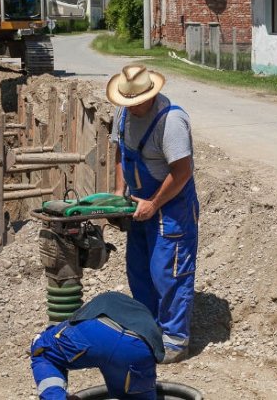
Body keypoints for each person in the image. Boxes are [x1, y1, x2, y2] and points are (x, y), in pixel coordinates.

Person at [106, 64, 199, 363]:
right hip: (139, 203)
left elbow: (182, 172)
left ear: (150, 95)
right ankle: (148, 330)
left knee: (168, 271)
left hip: (171, 206)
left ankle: (175, 340)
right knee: (139, 268)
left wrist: (155, 204)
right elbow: (120, 150)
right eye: (126, 103)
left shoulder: (170, 121)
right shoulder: (122, 114)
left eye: (136, 103)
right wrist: (119, 190)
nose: (130, 108)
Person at [30, 291, 164, 399]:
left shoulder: (103, 302)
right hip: (138, 348)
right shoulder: (146, 317)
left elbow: (68, 327)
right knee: (133, 393)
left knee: (43, 352)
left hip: (96, 331)